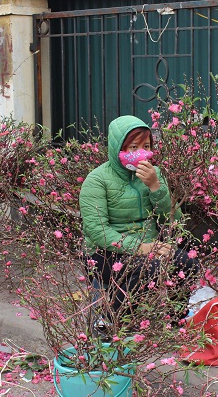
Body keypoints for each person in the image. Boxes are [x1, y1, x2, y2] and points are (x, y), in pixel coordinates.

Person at [79, 115, 199, 323]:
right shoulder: (97, 180)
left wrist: (156, 188)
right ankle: (110, 321)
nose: (140, 153)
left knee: (188, 263)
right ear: (118, 148)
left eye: (146, 146)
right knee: (149, 269)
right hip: (105, 253)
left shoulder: (154, 174)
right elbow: (97, 231)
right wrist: (140, 247)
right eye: (133, 147)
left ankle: (174, 319)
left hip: (148, 246)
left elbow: (172, 220)